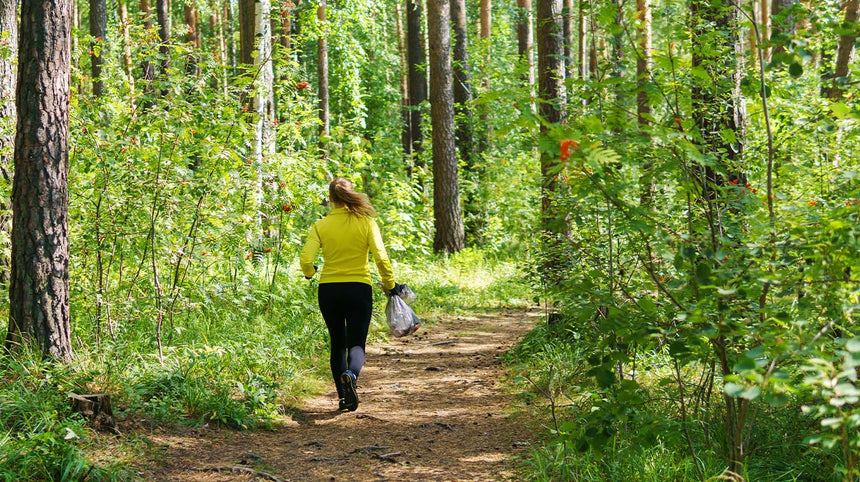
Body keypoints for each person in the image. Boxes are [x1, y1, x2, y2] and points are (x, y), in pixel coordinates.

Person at [300, 177, 403, 412]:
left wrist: (310, 272)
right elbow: (381, 257)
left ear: (330, 199)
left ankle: (343, 398)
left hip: (329, 289)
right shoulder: (366, 223)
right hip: (359, 288)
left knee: (337, 343)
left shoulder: (321, 225)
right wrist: (390, 284)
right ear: (351, 195)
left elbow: (306, 259)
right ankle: (352, 374)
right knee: (356, 342)